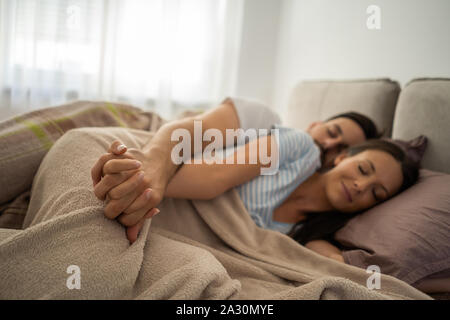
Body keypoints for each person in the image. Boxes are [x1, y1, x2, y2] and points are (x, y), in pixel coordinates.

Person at [91, 97, 396, 260]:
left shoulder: (312, 228)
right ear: (316, 124)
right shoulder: (282, 134)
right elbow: (193, 141)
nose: (329, 147)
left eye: (340, 149)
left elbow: (334, 264)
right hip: (166, 157)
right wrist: (142, 179)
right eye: (332, 134)